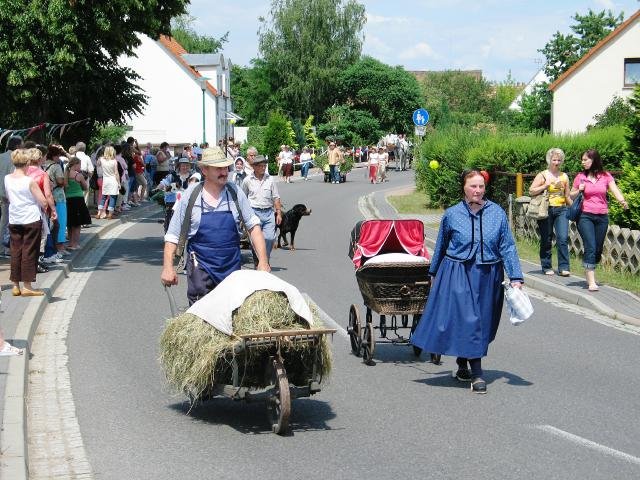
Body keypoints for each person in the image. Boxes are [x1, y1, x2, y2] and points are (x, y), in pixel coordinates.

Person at [410, 169, 524, 394]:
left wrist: (516, 277)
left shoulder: (497, 213)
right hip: (458, 273)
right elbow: (441, 246)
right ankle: (478, 374)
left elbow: (508, 246)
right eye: (473, 186)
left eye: (481, 186)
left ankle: (463, 363)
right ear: (464, 187)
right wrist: (433, 274)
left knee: (484, 323)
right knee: (470, 320)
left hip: (490, 274)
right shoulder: (452, 214)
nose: (478, 191)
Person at [161, 146, 270, 305]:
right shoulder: (191, 195)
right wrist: (168, 267)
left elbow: (254, 227)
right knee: (202, 314)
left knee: (231, 311)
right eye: (218, 168)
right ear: (204, 170)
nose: (224, 172)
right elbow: (172, 235)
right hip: (200, 267)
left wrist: (263, 261)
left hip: (231, 266)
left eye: (225, 167)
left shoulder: (234, 192)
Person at [570, 149, 628, 292]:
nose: (582, 162)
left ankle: (589, 264)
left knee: (597, 249)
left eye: (585, 160)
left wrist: (622, 201)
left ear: (594, 160)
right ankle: (591, 281)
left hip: (602, 216)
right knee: (590, 246)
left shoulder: (605, 176)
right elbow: (571, 195)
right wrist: (579, 190)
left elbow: (614, 189)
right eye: (582, 160)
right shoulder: (580, 177)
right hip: (585, 216)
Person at [5, 148, 48, 296]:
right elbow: (43, 201)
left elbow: (9, 197)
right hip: (30, 218)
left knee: (15, 250)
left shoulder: (7, 178)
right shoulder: (29, 181)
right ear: (27, 163)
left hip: (14, 218)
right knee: (29, 251)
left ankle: (15, 285)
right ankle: (28, 286)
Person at [529, 148, 572, 276]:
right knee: (546, 239)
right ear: (549, 160)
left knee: (563, 238)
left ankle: (564, 267)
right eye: (554, 160)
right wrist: (545, 186)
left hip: (561, 209)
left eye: (559, 160)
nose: (557, 162)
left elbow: (567, 196)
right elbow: (531, 191)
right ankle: (546, 266)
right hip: (545, 209)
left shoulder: (564, 176)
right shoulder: (543, 175)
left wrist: (575, 210)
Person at [242, 154, 282, 258]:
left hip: (268, 213)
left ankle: (264, 259)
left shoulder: (270, 179)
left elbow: (276, 197)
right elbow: (242, 198)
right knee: (255, 240)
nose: (263, 168)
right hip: (254, 213)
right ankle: (259, 261)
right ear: (254, 166)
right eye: (260, 166)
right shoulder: (247, 180)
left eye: (264, 165)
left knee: (269, 238)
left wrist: (278, 213)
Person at [0, 136, 24, 257]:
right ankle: (8, 248)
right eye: (22, 145)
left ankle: (2, 247)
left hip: (2, 193)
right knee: (12, 222)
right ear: (17, 146)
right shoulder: (15, 158)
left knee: (4, 221)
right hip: (12, 194)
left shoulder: (1, 157)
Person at [158, 157, 192, 232]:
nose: (185, 167)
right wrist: (157, 189)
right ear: (179, 166)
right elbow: (163, 183)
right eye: (183, 165)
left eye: (187, 165)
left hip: (187, 203)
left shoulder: (192, 177)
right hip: (172, 202)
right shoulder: (173, 176)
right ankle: (169, 235)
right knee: (170, 219)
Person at [64, 156, 92, 249]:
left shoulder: (65, 175)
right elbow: (85, 187)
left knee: (70, 223)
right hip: (78, 200)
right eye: (79, 165)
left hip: (68, 200)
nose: (80, 167)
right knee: (77, 224)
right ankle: (75, 244)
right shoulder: (78, 175)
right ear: (75, 165)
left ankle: (70, 243)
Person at [95, 146, 120, 219]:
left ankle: (99, 213)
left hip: (105, 180)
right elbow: (116, 173)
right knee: (113, 197)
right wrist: (118, 183)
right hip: (113, 180)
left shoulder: (101, 159)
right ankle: (110, 214)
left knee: (103, 197)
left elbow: (97, 164)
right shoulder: (114, 161)